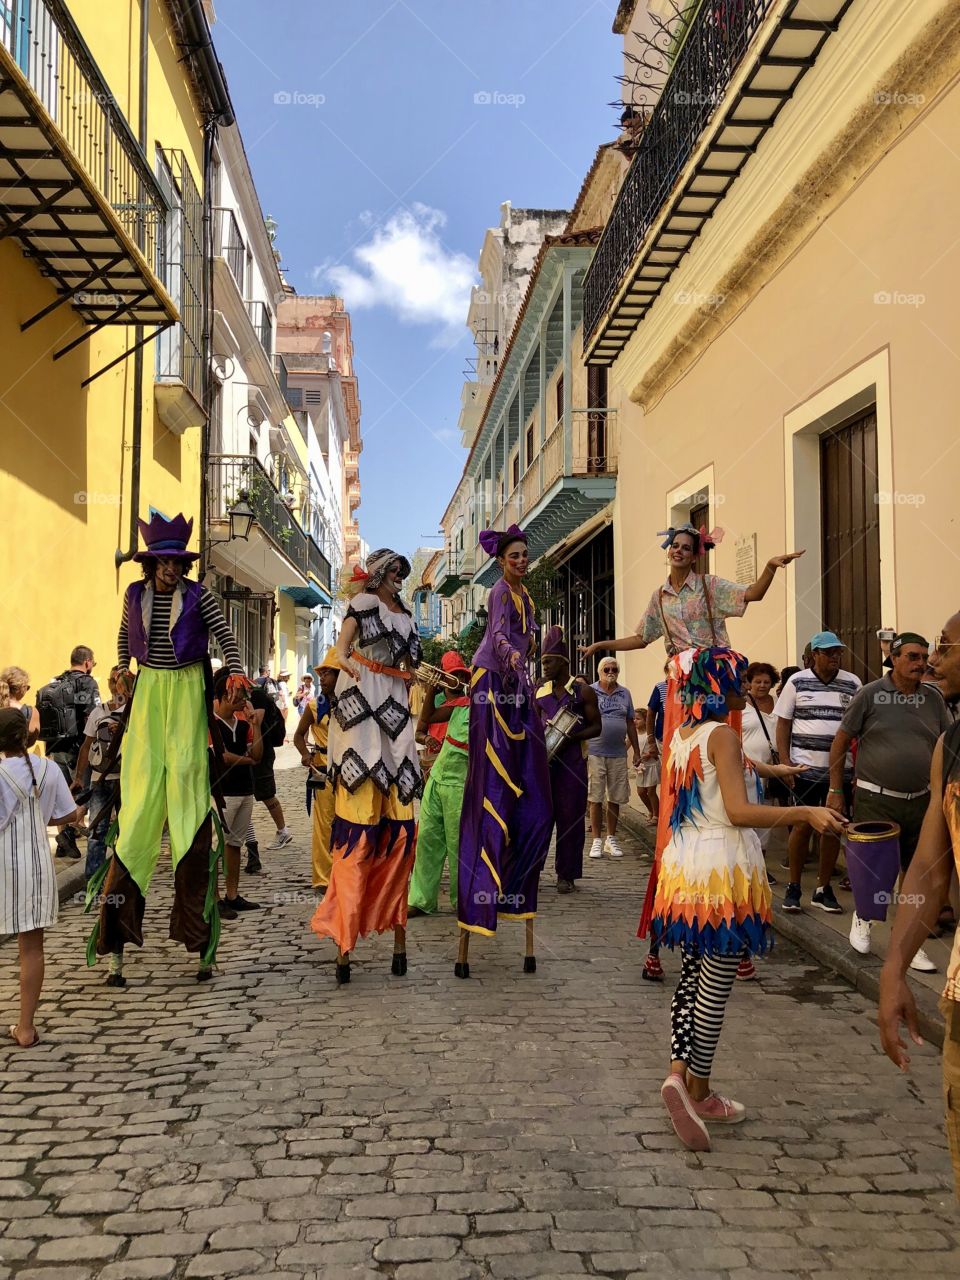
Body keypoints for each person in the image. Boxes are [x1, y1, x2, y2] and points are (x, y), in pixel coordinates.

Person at [582, 524, 802, 977]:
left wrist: (770, 568)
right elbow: (641, 639)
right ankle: (669, 938)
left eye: (688, 547)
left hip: (715, 685)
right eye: (676, 546)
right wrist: (604, 643)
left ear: (696, 554)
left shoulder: (710, 586)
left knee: (728, 784)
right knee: (678, 808)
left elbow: (753, 596)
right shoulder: (661, 598)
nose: (681, 552)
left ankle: (733, 940)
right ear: (669, 552)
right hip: (683, 689)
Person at [652, 648, 846, 1152]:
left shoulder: (683, 734)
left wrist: (772, 770)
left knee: (693, 974)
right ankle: (699, 1089)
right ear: (719, 686)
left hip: (686, 869)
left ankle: (682, 1076)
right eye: (738, 679)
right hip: (723, 873)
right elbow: (737, 810)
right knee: (715, 987)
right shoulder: (724, 733)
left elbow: (726, 767)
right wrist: (803, 813)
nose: (746, 684)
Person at [89, 512, 248, 987]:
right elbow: (123, 638)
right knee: (135, 816)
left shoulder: (200, 595)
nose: (172, 569)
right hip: (149, 690)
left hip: (184, 692)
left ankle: (202, 946)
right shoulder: (134, 594)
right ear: (152, 562)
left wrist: (235, 670)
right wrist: (121, 667)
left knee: (189, 805)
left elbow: (226, 638)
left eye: (179, 562)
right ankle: (114, 946)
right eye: (165, 561)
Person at [311, 551, 422, 984]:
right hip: (361, 709)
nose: (399, 578)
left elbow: (413, 668)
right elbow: (341, 648)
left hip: (395, 709)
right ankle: (344, 941)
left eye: (401, 573)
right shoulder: (361, 606)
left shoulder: (408, 617)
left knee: (400, 833)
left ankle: (396, 938)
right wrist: (350, 667)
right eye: (393, 571)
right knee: (357, 833)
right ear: (377, 575)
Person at [878, 610, 960, 1200]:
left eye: (947, 647)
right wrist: (893, 966)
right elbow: (928, 871)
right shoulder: (951, 745)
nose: (934, 659)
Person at [456, 524, 552, 977]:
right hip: (492, 685)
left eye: (524, 555)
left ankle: (518, 882)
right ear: (501, 560)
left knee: (534, 803)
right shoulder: (498, 592)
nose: (520, 560)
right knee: (493, 787)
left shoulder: (528, 598)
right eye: (514, 555)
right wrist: (516, 663)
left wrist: (526, 669)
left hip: (517, 689)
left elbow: (526, 642)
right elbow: (497, 637)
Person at [829, 632, 952, 969]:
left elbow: (949, 742)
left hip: (923, 800)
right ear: (894, 658)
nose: (921, 663)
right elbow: (841, 742)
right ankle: (864, 918)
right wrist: (836, 790)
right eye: (912, 656)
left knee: (917, 873)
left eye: (924, 657)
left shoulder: (933, 698)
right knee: (874, 868)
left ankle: (909, 942)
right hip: (876, 797)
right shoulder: (870, 695)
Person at [1, 709, 84, 1047]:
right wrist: (78, 812)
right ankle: (25, 1027)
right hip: (35, 865)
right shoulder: (48, 768)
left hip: (4, 863)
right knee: (31, 949)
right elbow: (63, 816)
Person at [774, 631, 862, 914]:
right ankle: (794, 885)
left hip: (841, 773)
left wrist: (859, 768)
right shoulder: (796, 682)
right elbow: (783, 724)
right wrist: (785, 761)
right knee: (801, 826)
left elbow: (860, 729)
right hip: (805, 771)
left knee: (833, 831)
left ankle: (823, 889)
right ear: (814, 655)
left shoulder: (853, 683)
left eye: (838, 652)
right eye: (829, 653)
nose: (835, 657)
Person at [536, 627, 601, 893]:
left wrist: (569, 737)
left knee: (570, 820)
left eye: (549, 661)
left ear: (563, 662)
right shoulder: (539, 692)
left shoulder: (582, 691)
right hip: (542, 766)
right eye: (542, 662)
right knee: (538, 818)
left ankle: (567, 875)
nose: (545, 667)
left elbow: (597, 728)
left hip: (572, 766)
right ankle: (532, 870)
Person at [408, 651, 473, 914]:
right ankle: (421, 900)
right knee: (427, 840)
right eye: (451, 676)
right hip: (436, 779)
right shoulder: (450, 705)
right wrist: (431, 687)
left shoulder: (471, 702)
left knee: (458, 844)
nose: (455, 680)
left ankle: (463, 901)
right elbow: (423, 725)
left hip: (459, 783)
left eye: (459, 675)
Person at [37, 646, 100, 859]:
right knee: (88, 793)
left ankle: (64, 843)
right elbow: (92, 717)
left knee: (62, 797)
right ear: (88, 662)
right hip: (78, 750)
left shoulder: (56, 682)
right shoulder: (87, 683)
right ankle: (71, 831)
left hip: (56, 749)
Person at [72, 667, 134, 880]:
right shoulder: (99, 712)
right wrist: (79, 777)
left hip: (123, 780)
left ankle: (119, 878)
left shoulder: (133, 711)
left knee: (122, 832)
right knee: (100, 832)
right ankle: (96, 879)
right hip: (103, 779)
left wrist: (126, 730)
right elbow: (86, 746)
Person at [212, 669, 263, 917]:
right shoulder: (209, 721)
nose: (245, 701)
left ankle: (232, 894)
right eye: (240, 696)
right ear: (225, 695)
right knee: (215, 847)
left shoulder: (243, 722)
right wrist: (247, 760)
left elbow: (258, 754)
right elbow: (221, 757)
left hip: (244, 790)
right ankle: (214, 898)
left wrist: (255, 724)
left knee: (234, 845)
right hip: (221, 793)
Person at [293, 650, 340, 897]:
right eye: (321, 674)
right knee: (324, 826)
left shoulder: (352, 703)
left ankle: (345, 873)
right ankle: (323, 878)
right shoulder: (314, 706)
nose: (322, 678)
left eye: (328, 673)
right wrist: (305, 756)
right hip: (322, 769)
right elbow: (299, 736)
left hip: (349, 771)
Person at [587, 657, 640, 860]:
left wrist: (635, 750)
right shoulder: (591, 691)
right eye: (607, 669)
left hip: (618, 752)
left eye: (614, 669)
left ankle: (611, 838)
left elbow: (630, 723)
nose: (611, 672)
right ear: (600, 671)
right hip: (595, 751)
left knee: (616, 797)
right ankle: (596, 840)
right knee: (595, 796)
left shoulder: (624, 693)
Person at [243, 683, 293, 874]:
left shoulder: (257, 697)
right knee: (248, 794)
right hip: (253, 751)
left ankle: (283, 831)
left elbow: (256, 721)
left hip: (261, 752)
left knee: (266, 793)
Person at [638, 664, 669, 824]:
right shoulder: (661, 687)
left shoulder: (689, 687)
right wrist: (651, 741)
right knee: (666, 779)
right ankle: (663, 814)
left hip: (685, 740)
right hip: (662, 741)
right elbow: (651, 714)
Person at [0, 667, 40, 747]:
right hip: (17, 756)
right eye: (27, 688)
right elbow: (30, 741)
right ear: (21, 688)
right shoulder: (31, 712)